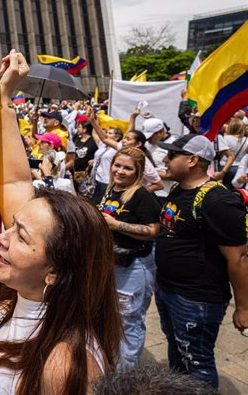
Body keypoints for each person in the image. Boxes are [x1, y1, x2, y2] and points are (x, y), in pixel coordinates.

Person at [0, 49, 121, 393]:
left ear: (55, 272)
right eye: (12, 226)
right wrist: (4, 96)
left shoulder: (67, 364)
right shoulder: (15, 299)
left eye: (21, 235)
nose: (3, 237)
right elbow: (14, 182)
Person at [155, 134, 248, 388]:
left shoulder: (218, 200)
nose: (166, 159)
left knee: (197, 364)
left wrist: (243, 308)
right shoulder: (178, 188)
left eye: (172, 155)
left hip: (196, 299)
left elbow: (238, 258)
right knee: (177, 351)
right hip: (167, 289)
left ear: (193, 160)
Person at [97, 147, 160, 369]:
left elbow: (153, 231)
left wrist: (116, 225)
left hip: (133, 268)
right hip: (108, 265)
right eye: (117, 165)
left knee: (128, 322)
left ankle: (124, 376)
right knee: (110, 318)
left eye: (127, 168)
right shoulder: (107, 190)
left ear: (138, 171)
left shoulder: (144, 196)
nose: (120, 171)